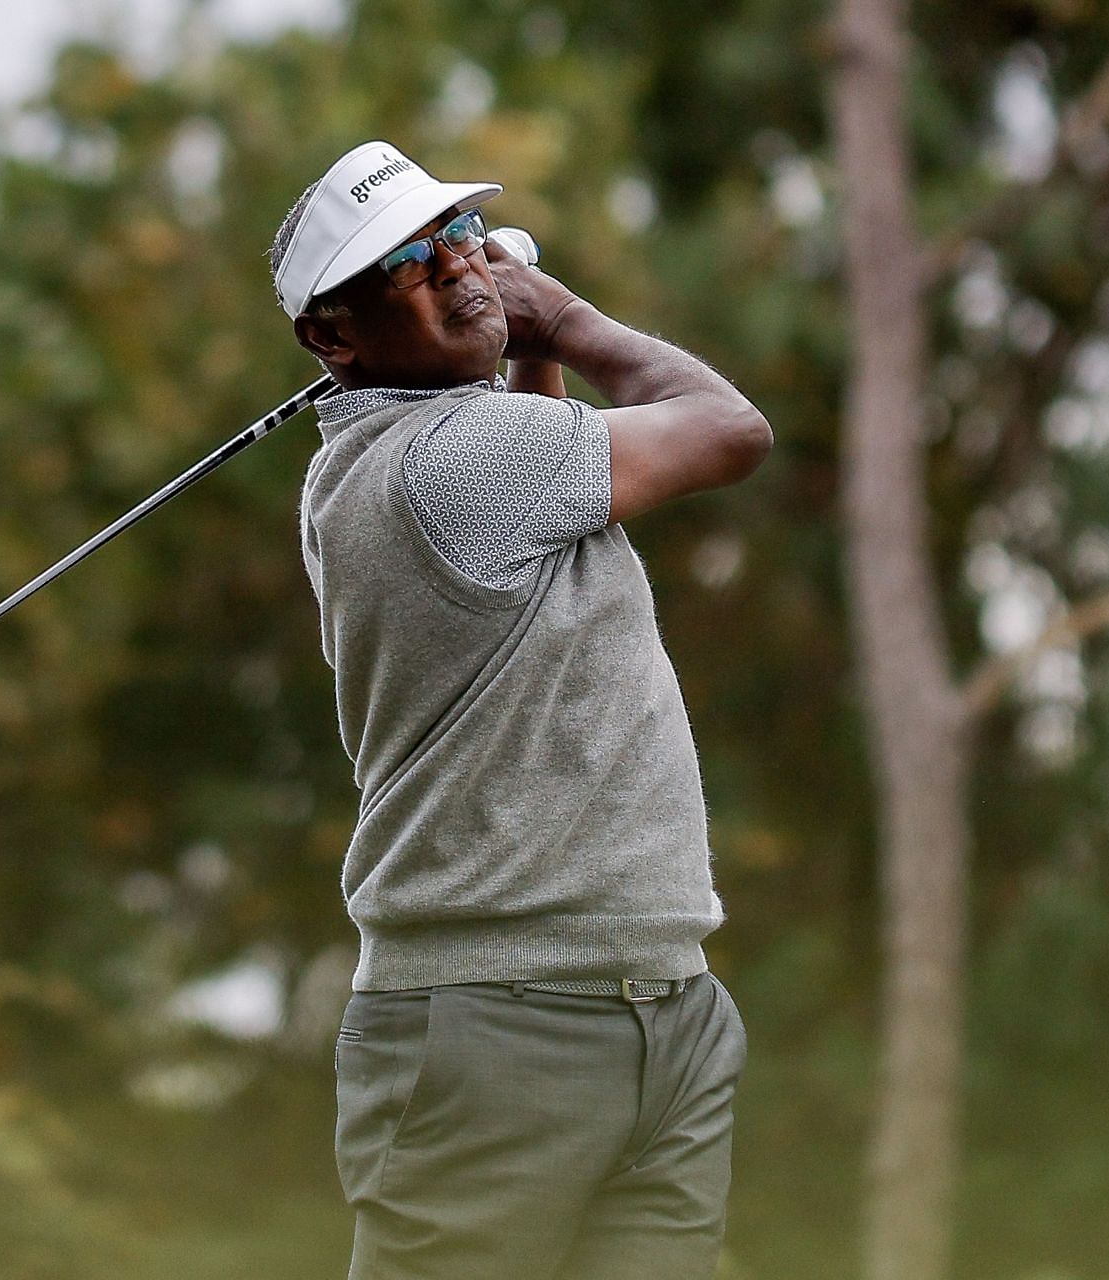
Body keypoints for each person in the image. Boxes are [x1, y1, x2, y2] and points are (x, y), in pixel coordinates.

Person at [270, 140, 771, 1280]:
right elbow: (732, 428)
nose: (458, 268)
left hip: (662, 1004)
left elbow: (558, 518)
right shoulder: (452, 458)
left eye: (458, 236)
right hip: (499, 1030)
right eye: (409, 264)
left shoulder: (413, 457)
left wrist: (520, 348)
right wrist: (564, 319)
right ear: (333, 337)